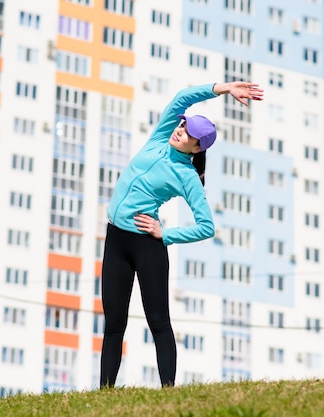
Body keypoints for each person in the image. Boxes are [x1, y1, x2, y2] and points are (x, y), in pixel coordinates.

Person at [99, 81, 264, 388]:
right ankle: (103, 392)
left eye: (189, 133)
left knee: (159, 323)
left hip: (147, 245)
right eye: (184, 125)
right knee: (114, 325)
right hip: (115, 239)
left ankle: (168, 393)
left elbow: (207, 226)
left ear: (197, 147)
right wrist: (224, 88)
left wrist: (166, 234)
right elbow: (181, 98)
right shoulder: (161, 136)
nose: (181, 130)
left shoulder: (187, 175)